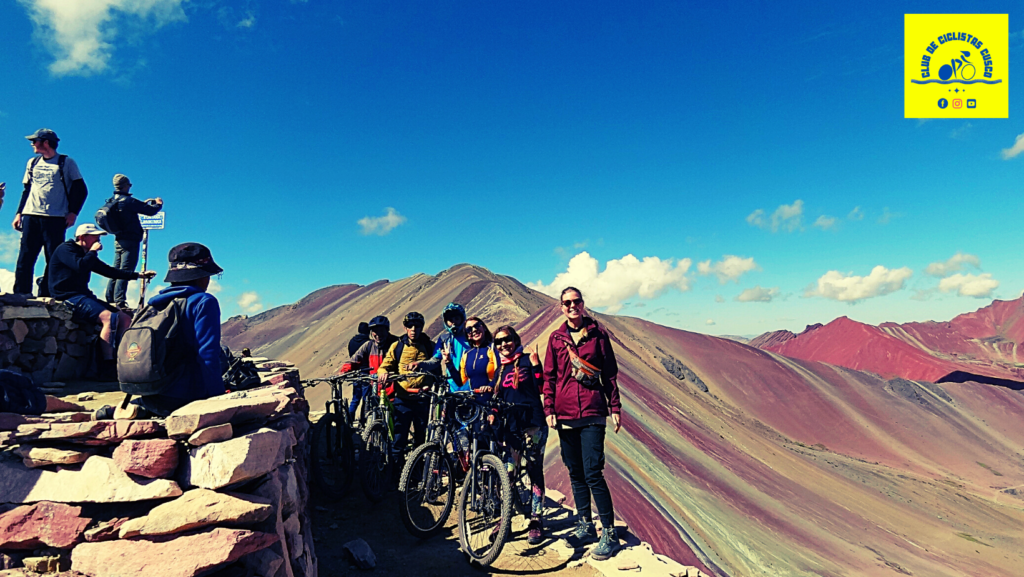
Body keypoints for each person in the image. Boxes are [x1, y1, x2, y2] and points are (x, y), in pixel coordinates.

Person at [542, 287, 622, 560]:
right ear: (561, 307)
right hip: (564, 416)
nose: (572, 306)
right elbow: (549, 377)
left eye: (576, 301)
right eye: (567, 303)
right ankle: (585, 525)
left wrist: (615, 407)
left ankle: (609, 534)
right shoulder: (556, 338)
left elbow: (610, 373)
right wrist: (549, 408)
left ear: (583, 304)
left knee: (592, 472)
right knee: (575, 471)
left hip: (592, 412)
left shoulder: (599, 335)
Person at [48, 224, 155, 381]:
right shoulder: (66, 249)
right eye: (94, 236)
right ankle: (107, 365)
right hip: (67, 295)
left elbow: (108, 271)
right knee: (108, 318)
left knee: (125, 318)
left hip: (83, 295)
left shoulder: (87, 255)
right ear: (82, 237)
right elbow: (80, 266)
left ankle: (122, 360)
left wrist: (138, 275)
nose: (98, 239)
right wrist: (92, 251)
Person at [133, 242, 225, 416]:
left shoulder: (156, 303)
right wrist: (218, 399)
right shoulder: (203, 301)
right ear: (202, 276)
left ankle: (140, 407)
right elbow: (207, 355)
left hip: (153, 390)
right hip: (186, 393)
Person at [488, 325, 547, 545]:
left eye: (508, 340)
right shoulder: (500, 370)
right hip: (511, 428)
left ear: (516, 339)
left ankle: (536, 519)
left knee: (533, 470)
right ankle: (505, 521)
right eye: (499, 342)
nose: (504, 345)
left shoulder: (526, 361)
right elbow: (497, 398)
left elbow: (541, 387)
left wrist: (535, 364)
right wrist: (493, 414)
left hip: (532, 424)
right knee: (508, 473)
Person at [13, 129, 88, 296]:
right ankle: (21, 293)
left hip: (55, 217)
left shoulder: (66, 162)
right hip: (31, 215)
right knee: (25, 256)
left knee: (53, 258)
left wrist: (73, 212)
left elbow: (81, 189)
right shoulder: (32, 162)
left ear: (46, 142)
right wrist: (19, 213)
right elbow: (27, 190)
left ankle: (47, 293)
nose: (32, 144)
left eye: (35, 140)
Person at [102, 174, 163, 308]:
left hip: (118, 239)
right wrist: (158, 204)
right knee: (126, 269)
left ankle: (110, 297)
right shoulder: (128, 201)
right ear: (125, 186)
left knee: (116, 268)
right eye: (129, 185)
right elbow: (150, 211)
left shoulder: (112, 201)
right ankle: (119, 300)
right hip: (131, 240)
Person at [377, 311, 436, 449]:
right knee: (398, 438)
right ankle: (397, 469)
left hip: (423, 398)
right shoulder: (397, 346)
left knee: (421, 438)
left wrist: (432, 386)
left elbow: (437, 371)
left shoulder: (430, 346)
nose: (413, 329)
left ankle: (417, 468)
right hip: (403, 399)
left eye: (417, 326)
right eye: (410, 326)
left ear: (422, 327)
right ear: (405, 328)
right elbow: (384, 366)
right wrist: (383, 373)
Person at [339, 316, 397, 424]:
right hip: (376, 389)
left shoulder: (396, 344)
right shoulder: (369, 345)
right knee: (373, 416)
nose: (378, 334)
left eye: (381, 330)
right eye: (374, 331)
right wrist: (343, 372)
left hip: (395, 390)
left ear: (387, 330)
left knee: (396, 423)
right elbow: (355, 360)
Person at [418, 302, 469, 392]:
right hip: (452, 388)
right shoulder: (444, 339)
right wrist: (420, 365)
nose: (453, 322)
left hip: (472, 386)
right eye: (450, 320)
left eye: (457, 319)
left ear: (462, 318)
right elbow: (435, 361)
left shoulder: (471, 336)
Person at [444, 316, 496, 400]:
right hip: (476, 403)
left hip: (494, 399)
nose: (474, 330)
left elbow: (501, 372)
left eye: (477, 325)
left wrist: (490, 386)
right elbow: (460, 381)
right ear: (467, 335)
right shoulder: (467, 354)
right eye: (469, 329)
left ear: (484, 328)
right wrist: (448, 362)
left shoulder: (494, 348)